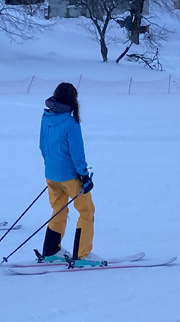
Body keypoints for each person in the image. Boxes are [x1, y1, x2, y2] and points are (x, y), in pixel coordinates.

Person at [39, 82, 101, 265]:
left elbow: (42, 146)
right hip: (70, 177)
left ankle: (51, 251)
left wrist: (51, 165)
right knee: (87, 211)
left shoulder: (46, 117)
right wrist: (83, 175)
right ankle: (82, 255)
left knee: (58, 210)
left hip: (51, 174)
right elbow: (77, 152)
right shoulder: (71, 122)